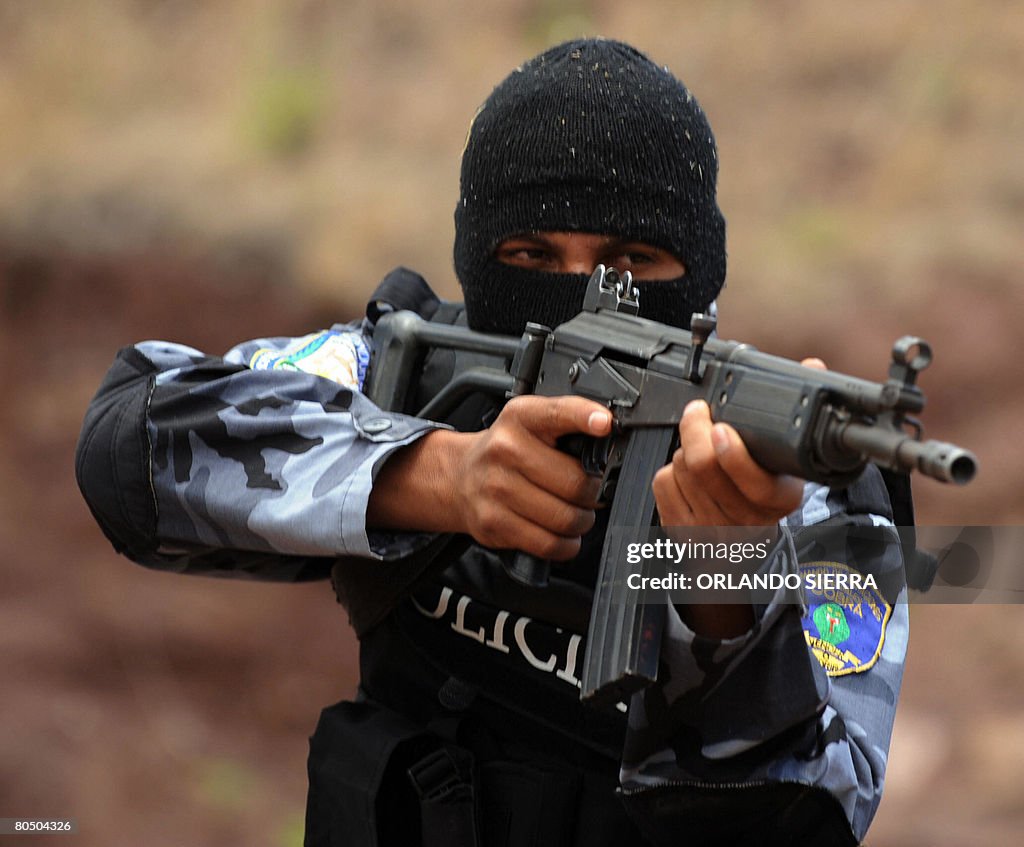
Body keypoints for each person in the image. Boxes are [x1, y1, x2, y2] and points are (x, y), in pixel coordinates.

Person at [75, 39, 907, 846]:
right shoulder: (397, 368)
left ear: (697, 279)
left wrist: (721, 582)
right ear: (479, 261)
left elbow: (812, 817)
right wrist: (435, 474)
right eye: (532, 254)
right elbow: (128, 444)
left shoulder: (806, 491)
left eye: (633, 258)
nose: (587, 298)